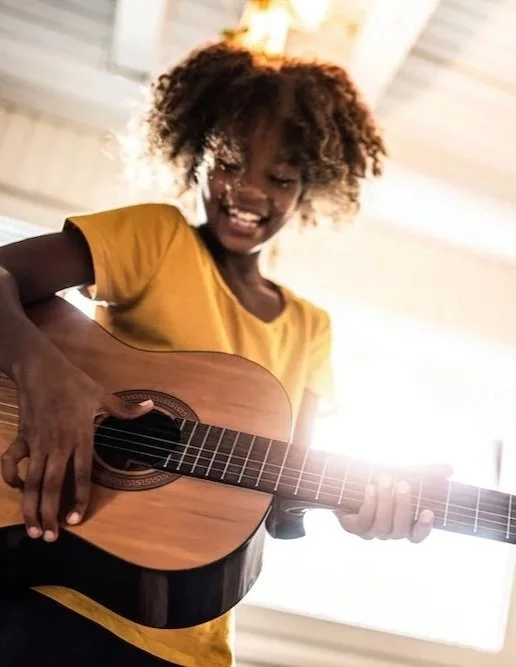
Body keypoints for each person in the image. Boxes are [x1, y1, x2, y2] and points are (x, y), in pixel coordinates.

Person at [0, 41, 441, 666]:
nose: (249, 193)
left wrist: (359, 504)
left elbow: (285, 495)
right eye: (230, 164)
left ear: (309, 188)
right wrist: (46, 375)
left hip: (188, 639)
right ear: (198, 156)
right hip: (55, 601)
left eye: (280, 178)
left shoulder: (311, 329)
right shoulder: (156, 238)